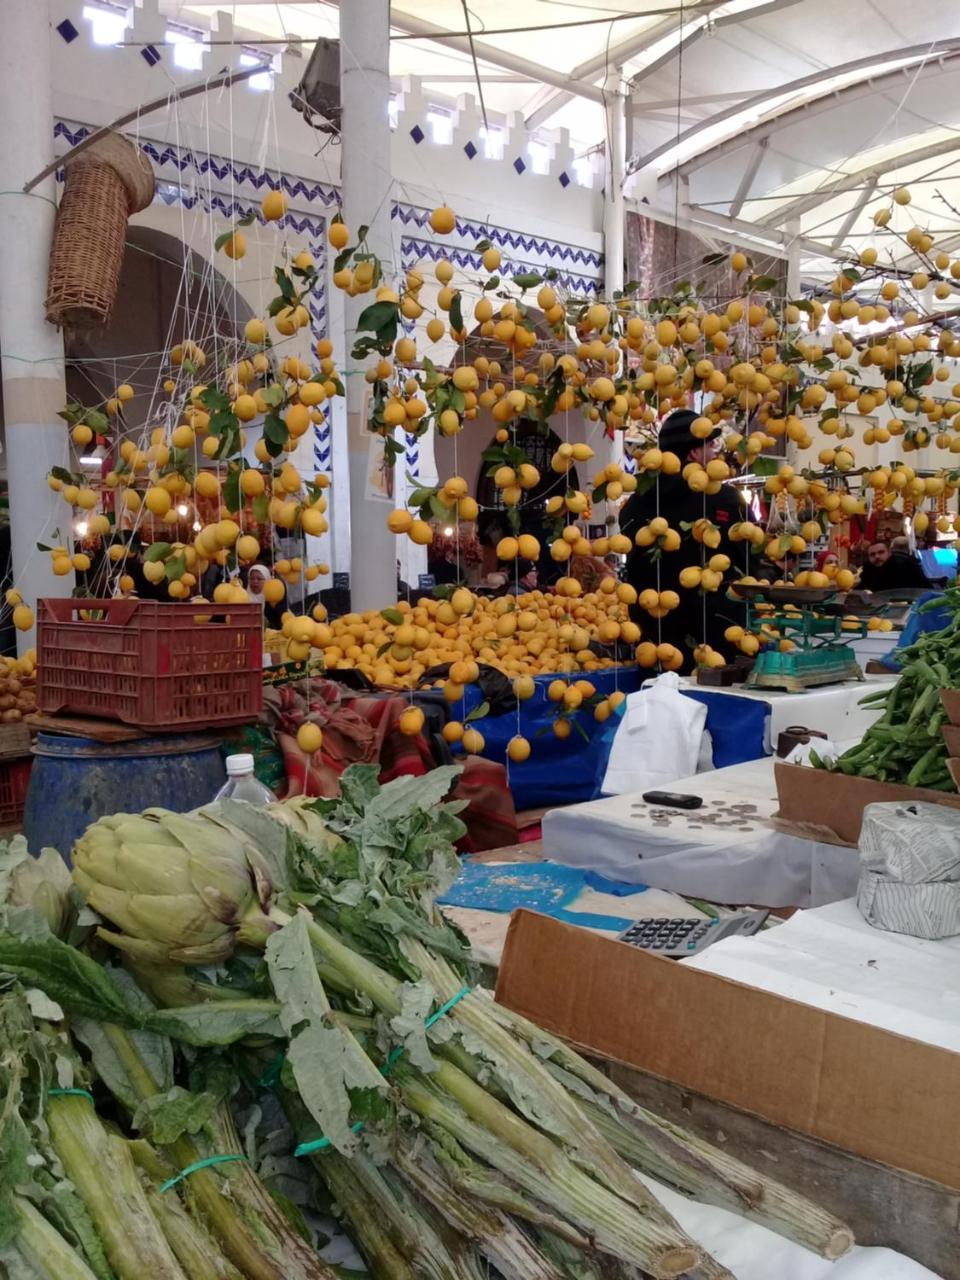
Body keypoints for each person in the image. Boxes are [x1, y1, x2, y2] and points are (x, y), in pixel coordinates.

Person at [620, 409, 746, 670]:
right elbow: (748, 560)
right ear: (693, 453)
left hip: (656, 635)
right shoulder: (725, 499)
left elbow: (632, 560)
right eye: (710, 445)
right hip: (717, 635)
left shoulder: (638, 501)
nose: (715, 453)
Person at [858, 540, 930, 593]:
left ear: (889, 553)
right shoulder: (868, 571)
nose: (877, 556)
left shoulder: (907, 567)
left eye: (881, 552)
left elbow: (925, 588)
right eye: (872, 554)